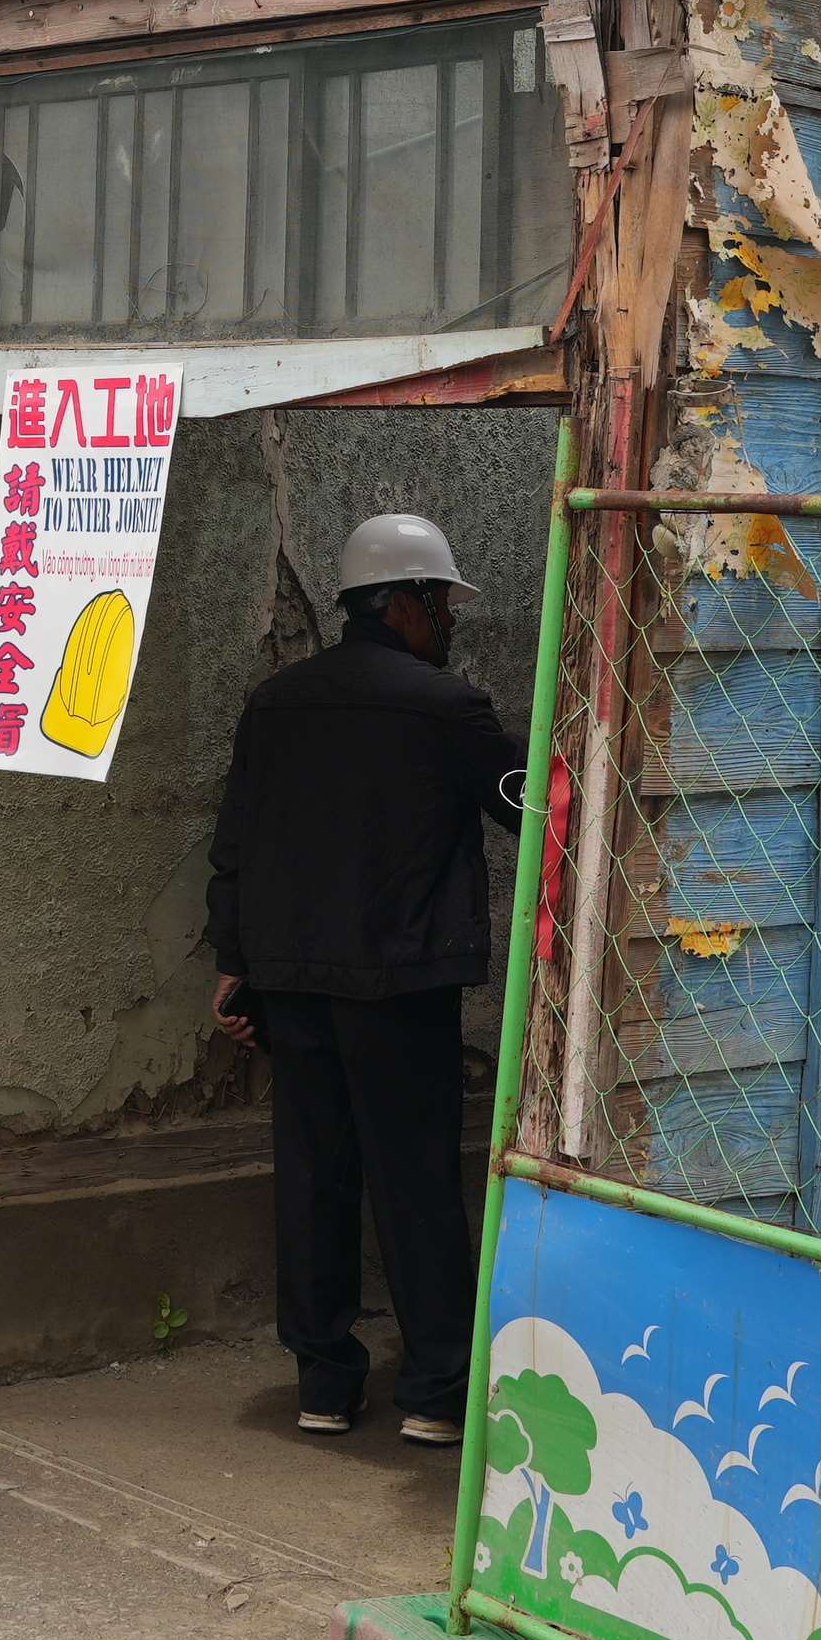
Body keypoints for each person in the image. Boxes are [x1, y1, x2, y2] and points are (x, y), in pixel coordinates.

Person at [206, 511, 521, 1447]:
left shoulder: (277, 702)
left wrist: (234, 968)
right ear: (409, 602)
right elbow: (533, 811)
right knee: (417, 1180)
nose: (450, 620)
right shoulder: (448, 708)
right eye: (443, 602)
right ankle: (433, 1391)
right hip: (400, 986)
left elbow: (236, 842)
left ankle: (324, 1380)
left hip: (293, 981)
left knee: (314, 1173)